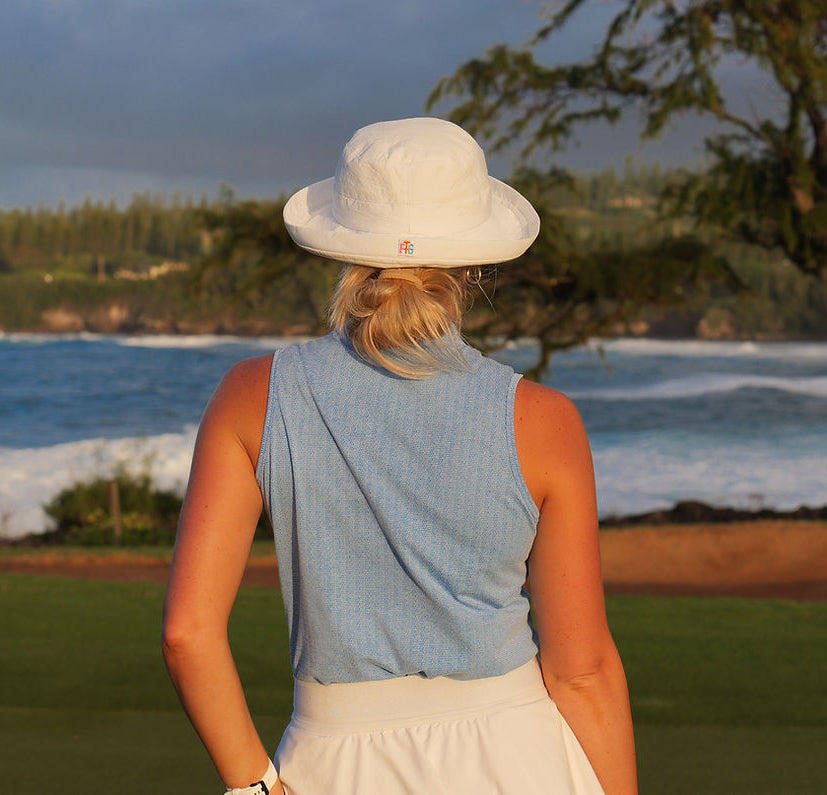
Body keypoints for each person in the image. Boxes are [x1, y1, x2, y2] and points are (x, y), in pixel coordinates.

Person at [162, 117, 637, 794]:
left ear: (343, 245)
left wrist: (255, 787)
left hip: (334, 762)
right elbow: (581, 671)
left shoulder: (251, 397)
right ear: (472, 261)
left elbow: (187, 633)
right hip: (519, 757)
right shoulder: (545, 421)